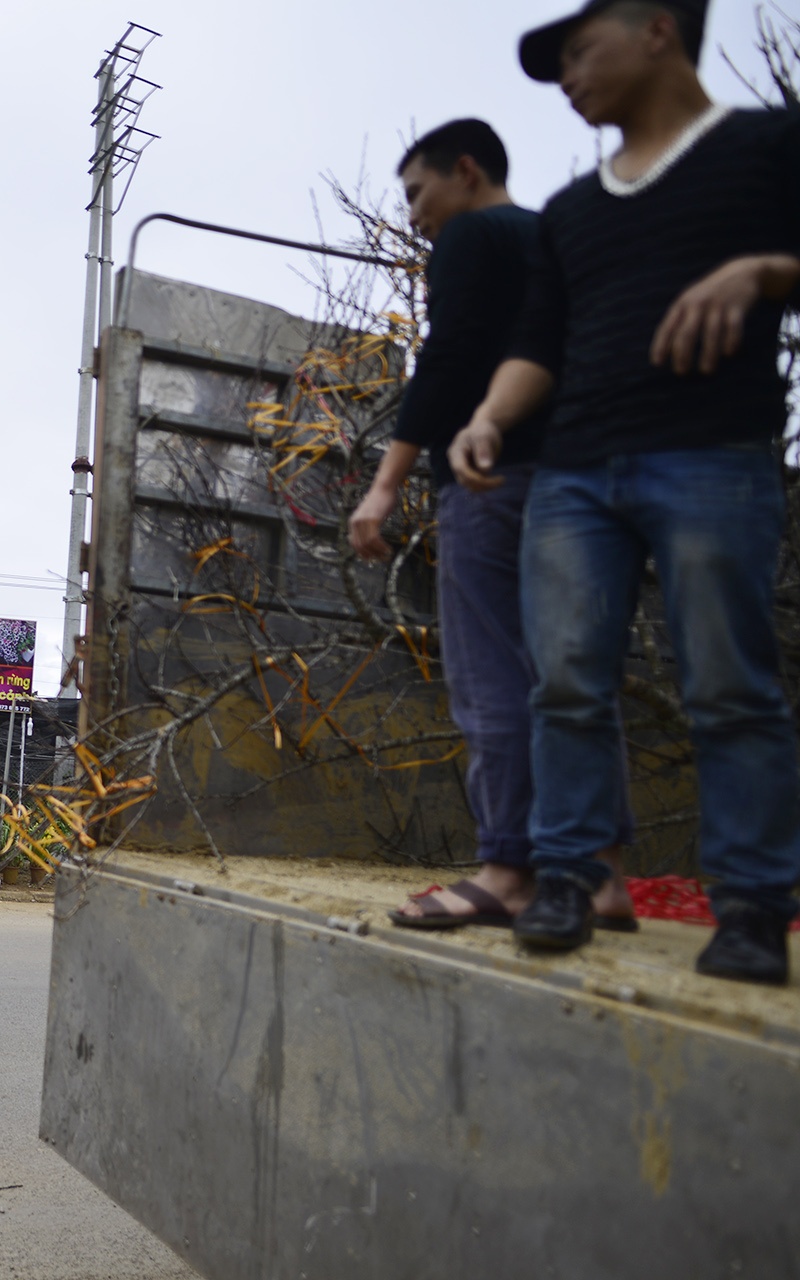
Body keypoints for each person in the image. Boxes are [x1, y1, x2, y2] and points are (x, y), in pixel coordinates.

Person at [448, 0, 800, 981]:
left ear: (655, 26)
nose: (565, 75)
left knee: (728, 680)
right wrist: (488, 415)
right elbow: (539, 343)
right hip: (572, 470)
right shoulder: (570, 211)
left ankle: (753, 907)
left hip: (714, 452)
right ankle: (568, 873)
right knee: (563, 680)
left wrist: (764, 270)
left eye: (577, 49)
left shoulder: (770, 142)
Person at [351, 118, 638, 932]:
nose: (412, 215)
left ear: (466, 171)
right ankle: (602, 876)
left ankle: (508, 868)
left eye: (417, 192)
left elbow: (447, 356)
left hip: (492, 478)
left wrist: (385, 485)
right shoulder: (551, 236)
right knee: (573, 677)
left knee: (492, 679)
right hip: (576, 479)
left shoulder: (474, 235)